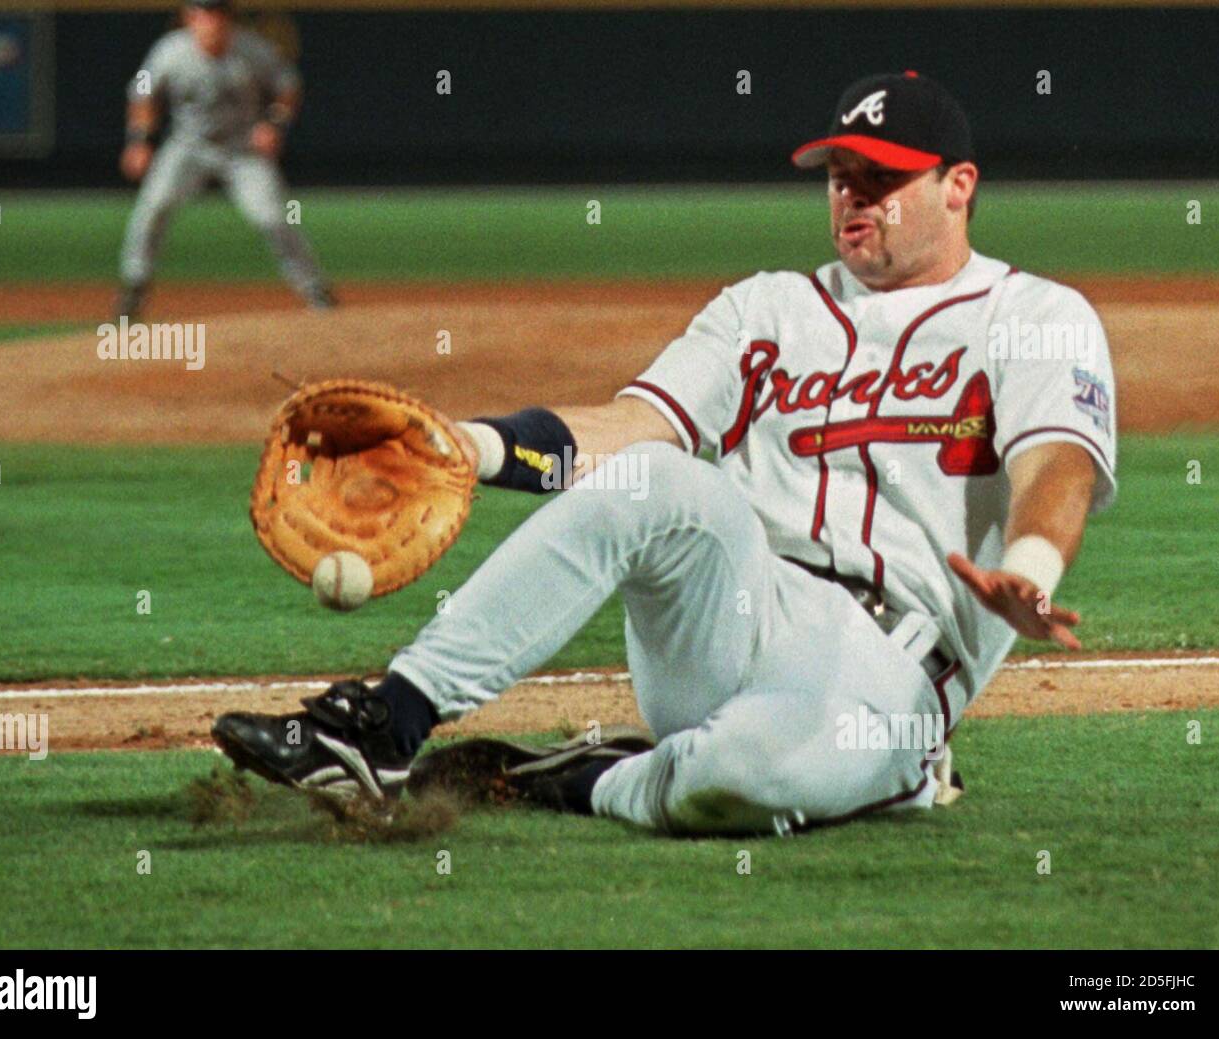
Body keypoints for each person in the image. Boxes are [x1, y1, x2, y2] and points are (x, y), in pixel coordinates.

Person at [213, 71, 1117, 836]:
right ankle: (384, 725)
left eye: (882, 177)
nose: (853, 195)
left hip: (888, 667)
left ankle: (583, 775)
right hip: (731, 610)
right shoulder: (764, 307)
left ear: (959, 185)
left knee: (737, 782)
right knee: (659, 475)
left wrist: (1032, 565)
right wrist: (470, 446)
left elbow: (1058, 462)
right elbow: (632, 427)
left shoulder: (1035, 314)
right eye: (841, 175)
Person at [116, 0, 333, 319]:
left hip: (242, 151)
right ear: (189, 17)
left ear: (228, 18)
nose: (210, 20)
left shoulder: (253, 50)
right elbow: (143, 93)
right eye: (202, 12)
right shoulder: (169, 52)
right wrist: (140, 141)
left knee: (277, 216)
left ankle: (316, 291)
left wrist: (274, 123)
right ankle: (133, 289)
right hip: (187, 147)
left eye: (217, 12)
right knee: (153, 207)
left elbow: (288, 86)